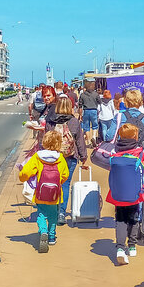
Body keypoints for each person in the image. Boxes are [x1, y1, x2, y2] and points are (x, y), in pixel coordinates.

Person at [19, 130, 70, 253]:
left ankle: (43, 231)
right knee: (53, 215)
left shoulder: (38, 157)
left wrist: (22, 177)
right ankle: (51, 237)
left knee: (41, 214)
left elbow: (26, 172)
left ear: (44, 142)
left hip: (41, 193)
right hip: (55, 194)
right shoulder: (60, 158)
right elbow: (65, 175)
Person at [107, 123, 144, 264]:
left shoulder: (114, 151)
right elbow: (143, 169)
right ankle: (132, 245)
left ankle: (120, 247)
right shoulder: (139, 152)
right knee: (134, 217)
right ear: (134, 136)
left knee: (120, 218)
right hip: (135, 191)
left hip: (118, 191)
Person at [45, 96, 88, 224]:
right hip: (70, 157)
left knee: (52, 183)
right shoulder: (74, 122)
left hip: (53, 158)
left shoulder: (50, 121)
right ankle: (61, 213)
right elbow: (79, 141)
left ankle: (52, 210)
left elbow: (45, 140)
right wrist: (83, 156)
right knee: (65, 184)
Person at [121, 88, 144, 178]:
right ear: (140, 102)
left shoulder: (119, 117)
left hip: (122, 154)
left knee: (123, 183)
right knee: (142, 184)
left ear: (126, 101)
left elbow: (109, 136)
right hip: (140, 156)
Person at [79, 81, 101, 146]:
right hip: (94, 110)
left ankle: (88, 141)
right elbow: (100, 102)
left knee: (86, 126)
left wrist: (80, 115)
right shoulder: (95, 94)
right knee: (95, 125)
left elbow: (80, 106)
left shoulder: (82, 95)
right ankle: (94, 137)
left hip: (86, 111)